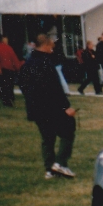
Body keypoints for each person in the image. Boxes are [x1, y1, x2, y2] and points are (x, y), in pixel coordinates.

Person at [19, 33, 78, 179]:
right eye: (51, 46)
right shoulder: (46, 64)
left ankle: (49, 169)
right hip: (51, 108)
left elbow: (22, 84)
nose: (52, 49)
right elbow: (55, 88)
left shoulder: (27, 64)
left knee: (47, 138)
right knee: (68, 131)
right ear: (45, 46)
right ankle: (60, 163)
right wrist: (66, 107)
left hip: (36, 108)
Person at [0, 34, 22, 107]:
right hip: (9, 69)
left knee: (2, 84)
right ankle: (10, 98)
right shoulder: (8, 48)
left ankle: (4, 98)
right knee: (9, 85)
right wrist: (18, 68)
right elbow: (14, 59)